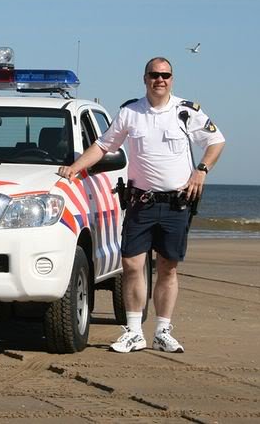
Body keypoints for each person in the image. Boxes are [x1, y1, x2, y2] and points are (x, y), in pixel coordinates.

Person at [58, 57, 225, 353]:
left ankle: (163, 330)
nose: (159, 80)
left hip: (176, 203)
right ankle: (134, 332)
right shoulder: (129, 113)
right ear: (144, 78)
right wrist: (74, 168)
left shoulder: (186, 112)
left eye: (165, 75)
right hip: (141, 202)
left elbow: (216, 142)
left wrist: (202, 170)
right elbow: (102, 146)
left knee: (167, 268)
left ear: (172, 79)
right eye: (154, 75)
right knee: (132, 265)